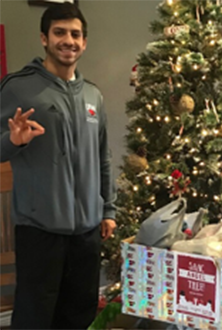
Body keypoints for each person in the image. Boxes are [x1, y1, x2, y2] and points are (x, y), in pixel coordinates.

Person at [0, 3, 116, 329]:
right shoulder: (17, 87)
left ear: (84, 42)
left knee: (79, 314)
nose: (69, 40)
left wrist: (107, 210)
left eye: (76, 34)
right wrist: (14, 141)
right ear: (44, 38)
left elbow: (103, 157)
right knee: (34, 317)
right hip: (39, 230)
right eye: (60, 32)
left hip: (87, 232)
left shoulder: (93, 96)